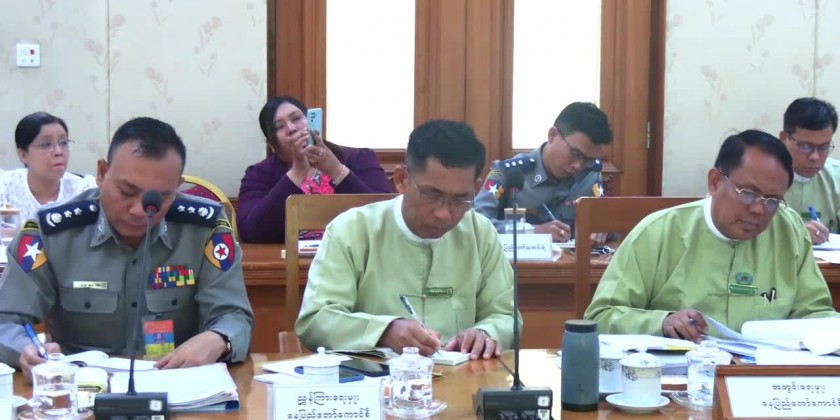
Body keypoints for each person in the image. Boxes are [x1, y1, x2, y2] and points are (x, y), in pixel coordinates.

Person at [0, 117, 254, 378]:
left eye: (159, 197)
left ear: (176, 187)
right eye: (127, 191)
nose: (139, 210)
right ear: (102, 173)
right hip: (83, 388)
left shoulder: (203, 229)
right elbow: (6, 319)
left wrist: (218, 339)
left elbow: (233, 315)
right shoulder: (53, 233)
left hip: (178, 383)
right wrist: (24, 349)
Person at [584, 130, 839, 342]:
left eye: (773, 200)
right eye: (748, 193)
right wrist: (662, 322)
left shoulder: (789, 231)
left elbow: (814, 313)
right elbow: (600, 317)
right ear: (715, 182)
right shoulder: (658, 232)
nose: (759, 210)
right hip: (681, 377)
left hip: (763, 377)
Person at [296, 120, 518, 360]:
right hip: (376, 377)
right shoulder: (352, 230)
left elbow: (507, 316)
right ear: (401, 179)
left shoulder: (480, 232)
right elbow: (316, 320)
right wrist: (384, 332)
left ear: (476, 188)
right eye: (431, 195)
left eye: (460, 199)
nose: (444, 213)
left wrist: (485, 333)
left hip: (463, 376)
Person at [237, 96, 393, 243]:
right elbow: (250, 231)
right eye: (279, 126)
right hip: (289, 256)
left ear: (312, 122)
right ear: (272, 145)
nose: (292, 128)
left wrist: (336, 170)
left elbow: (385, 217)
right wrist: (297, 173)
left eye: (296, 118)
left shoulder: (359, 157)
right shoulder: (258, 174)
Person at [473, 102, 612, 243]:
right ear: (552, 135)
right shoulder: (510, 173)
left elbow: (609, 226)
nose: (578, 165)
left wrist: (603, 229)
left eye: (588, 159)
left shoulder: (590, 176)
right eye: (575, 153)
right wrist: (531, 231)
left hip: (572, 257)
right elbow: (475, 223)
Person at [0, 112, 97, 222]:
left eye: (64, 143)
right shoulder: (4, 187)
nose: (59, 152)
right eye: (46, 144)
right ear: (23, 155)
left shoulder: (84, 191)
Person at [779, 97, 839, 245]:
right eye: (805, 146)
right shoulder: (757, 176)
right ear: (784, 138)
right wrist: (794, 232)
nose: (814, 157)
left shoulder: (836, 176)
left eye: (824, 147)